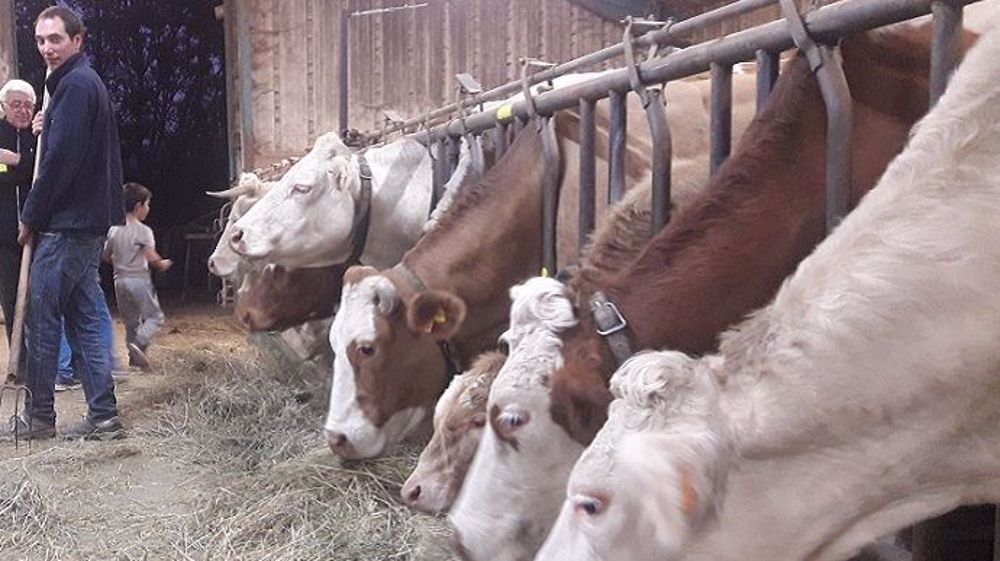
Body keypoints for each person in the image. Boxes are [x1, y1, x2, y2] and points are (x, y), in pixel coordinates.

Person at [4, 6, 126, 441]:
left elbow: (60, 163)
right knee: (84, 317)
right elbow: (62, 146)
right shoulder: (74, 86)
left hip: (67, 224)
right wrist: (46, 125)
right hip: (86, 222)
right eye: (40, 40)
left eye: (55, 39)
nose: (46, 48)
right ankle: (104, 416)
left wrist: (31, 215)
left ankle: (38, 418)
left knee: (42, 318)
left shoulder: (74, 85)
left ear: (78, 40)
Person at [104, 182, 171, 371]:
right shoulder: (143, 231)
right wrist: (162, 263)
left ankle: (135, 362)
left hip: (119, 280)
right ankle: (139, 345)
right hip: (138, 279)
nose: (148, 209)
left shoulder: (114, 230)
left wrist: (119, 263)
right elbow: (151, 256)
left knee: (131, 322)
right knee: (155, 317)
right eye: (147, 204)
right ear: (138, 206)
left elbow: (106, 255)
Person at [0, 79, 37, 375]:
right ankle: (19, 364)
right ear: (3, 107)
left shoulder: (39, 137)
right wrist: (20, 169)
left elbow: (44, 171)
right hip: (4, 236)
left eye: (28, 105)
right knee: (12, 299)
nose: (23, 110)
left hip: (40, 234)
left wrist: (17, 161)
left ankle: (46, 363)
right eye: (16, 105)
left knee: (43, 299)